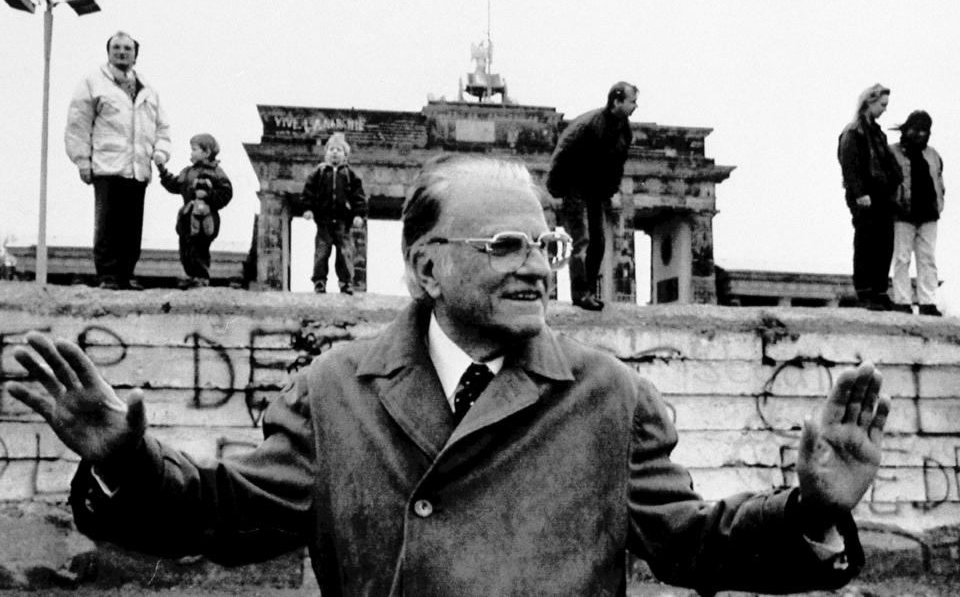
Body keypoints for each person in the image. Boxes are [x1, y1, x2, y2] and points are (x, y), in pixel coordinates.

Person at [9, 155, 890, 596]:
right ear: (428, 269)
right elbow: (220, 520)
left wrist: (812, 507)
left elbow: (696, 543)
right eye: (504, 245)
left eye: (544, 245)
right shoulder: (336, 390)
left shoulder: (610, 398)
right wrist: (126, 459)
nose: (539, 267)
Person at [64, 31, 172, 290]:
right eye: (116, 48)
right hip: (107, 165)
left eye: (127, 48)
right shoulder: (93, 83)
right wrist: (82, 160)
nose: (122, 52)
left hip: (138, 168)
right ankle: (109, 276)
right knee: (108, 225)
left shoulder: (148, 90)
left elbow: (162, 128)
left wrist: (160, 152)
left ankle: (126, 274)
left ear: (136, 54)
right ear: (108, 52)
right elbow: (78, 124)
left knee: (131, 227)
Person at [546, 81, 637, 310]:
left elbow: (619, 162)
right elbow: (562, 150)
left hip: (595, 189)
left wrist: (611, 187)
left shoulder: (624, 128)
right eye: (632, 101)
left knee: (599, 241)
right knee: (581, 240)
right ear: (616, 101)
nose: (636, 106)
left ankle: (588, 292)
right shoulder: (589, 123)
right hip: (574, 185)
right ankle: (580, 294)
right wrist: (555, 186)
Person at [837, 83, 902, 310]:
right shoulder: (854, 131)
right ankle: (865, 291)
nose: (884, 109)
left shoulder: (877, 132)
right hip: (865, 194)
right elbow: (849, 164)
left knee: (885, 243)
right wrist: (859, 192)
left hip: (883, 194)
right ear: (870, 102)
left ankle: (880, 291)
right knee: (866, 242)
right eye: (882, 105)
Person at [157, 133, 233, 289]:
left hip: (205, 217)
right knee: (185, 245)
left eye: (194, 149)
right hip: (187, 215)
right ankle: (190, 274)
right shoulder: (187, 172)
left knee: (199, 246)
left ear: (207, 152)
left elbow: (226, 192)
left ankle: (201, 276)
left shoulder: (216, 172)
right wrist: (162, 171)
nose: (191, 153)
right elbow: (175, 185)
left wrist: (209, 195)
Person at [888, 110, 945, 316]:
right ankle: (902, 301)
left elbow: (939, 181)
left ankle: (927, 301)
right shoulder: (892, 152)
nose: (920, 134)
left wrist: (939, 205)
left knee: (927, 258)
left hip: (929, 215)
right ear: (907, 128)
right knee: (902, 258)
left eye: (925, 130)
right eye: (916, 129)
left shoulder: (933, 154)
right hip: (902, 213)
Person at [300, 132, 367, 294]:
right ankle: (319, 281)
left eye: (339, 149)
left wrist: (358, 214)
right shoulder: (319, 172)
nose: (335, 152)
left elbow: (358, 197)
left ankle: (346, 283)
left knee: (345, 254)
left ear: (345, 155)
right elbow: (308, 191)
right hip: (323, 221)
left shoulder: (350, 175)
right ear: (326, 153)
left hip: (343, 222)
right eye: (331, 149)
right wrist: (307, 209)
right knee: (322, 252)